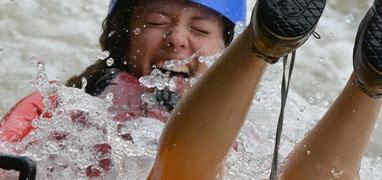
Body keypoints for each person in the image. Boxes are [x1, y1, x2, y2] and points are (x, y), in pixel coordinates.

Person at [0, 0, 381, 179]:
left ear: (222, 47)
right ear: (123, 37)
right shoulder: (60, 105)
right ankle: (369, 85)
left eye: (200, 30)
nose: (178, 40)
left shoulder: (257, 121)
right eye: (156, 21)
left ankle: (367, 78)